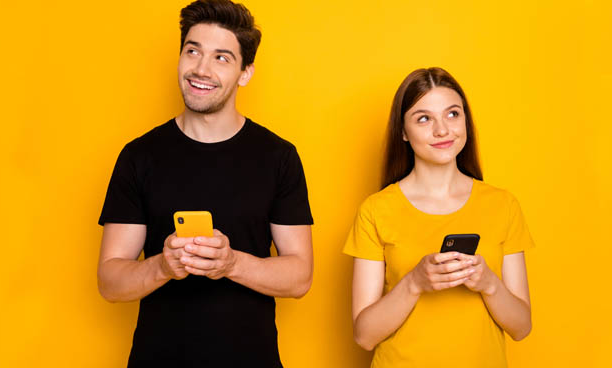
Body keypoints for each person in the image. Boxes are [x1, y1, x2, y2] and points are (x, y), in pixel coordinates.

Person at [95, 1, 313, 366]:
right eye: (192, 51)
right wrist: (162, 267)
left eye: (221, 58)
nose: (201, 68)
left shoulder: (279, 157)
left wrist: (230, 264)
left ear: (245, 73)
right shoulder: (139, 156)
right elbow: (110, 281)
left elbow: (300, 277)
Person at [345, 67, 536, 367]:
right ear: (403, 132)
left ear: (466, 122)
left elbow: (522, 327)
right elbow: (364, 336)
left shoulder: (503, 205)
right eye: (424, 118)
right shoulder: (376, 210)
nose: (443, 130)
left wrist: (488, 283)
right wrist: (415, 282)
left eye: (452, 114)